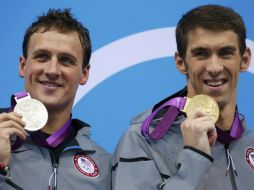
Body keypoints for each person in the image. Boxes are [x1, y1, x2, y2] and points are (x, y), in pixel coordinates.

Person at [111, 4, 253, 190]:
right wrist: (194, 158)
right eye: (201, 54)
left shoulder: (249, 141)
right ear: (181, 62)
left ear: (244, 60)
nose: (214, 67)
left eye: (225, 53)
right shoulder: (143, 140)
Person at [0, 9, 111, 190]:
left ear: (84, 73)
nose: (52, 70)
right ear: (23, 65)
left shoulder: (105, 167)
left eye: (66, 60)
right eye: (42, 57)